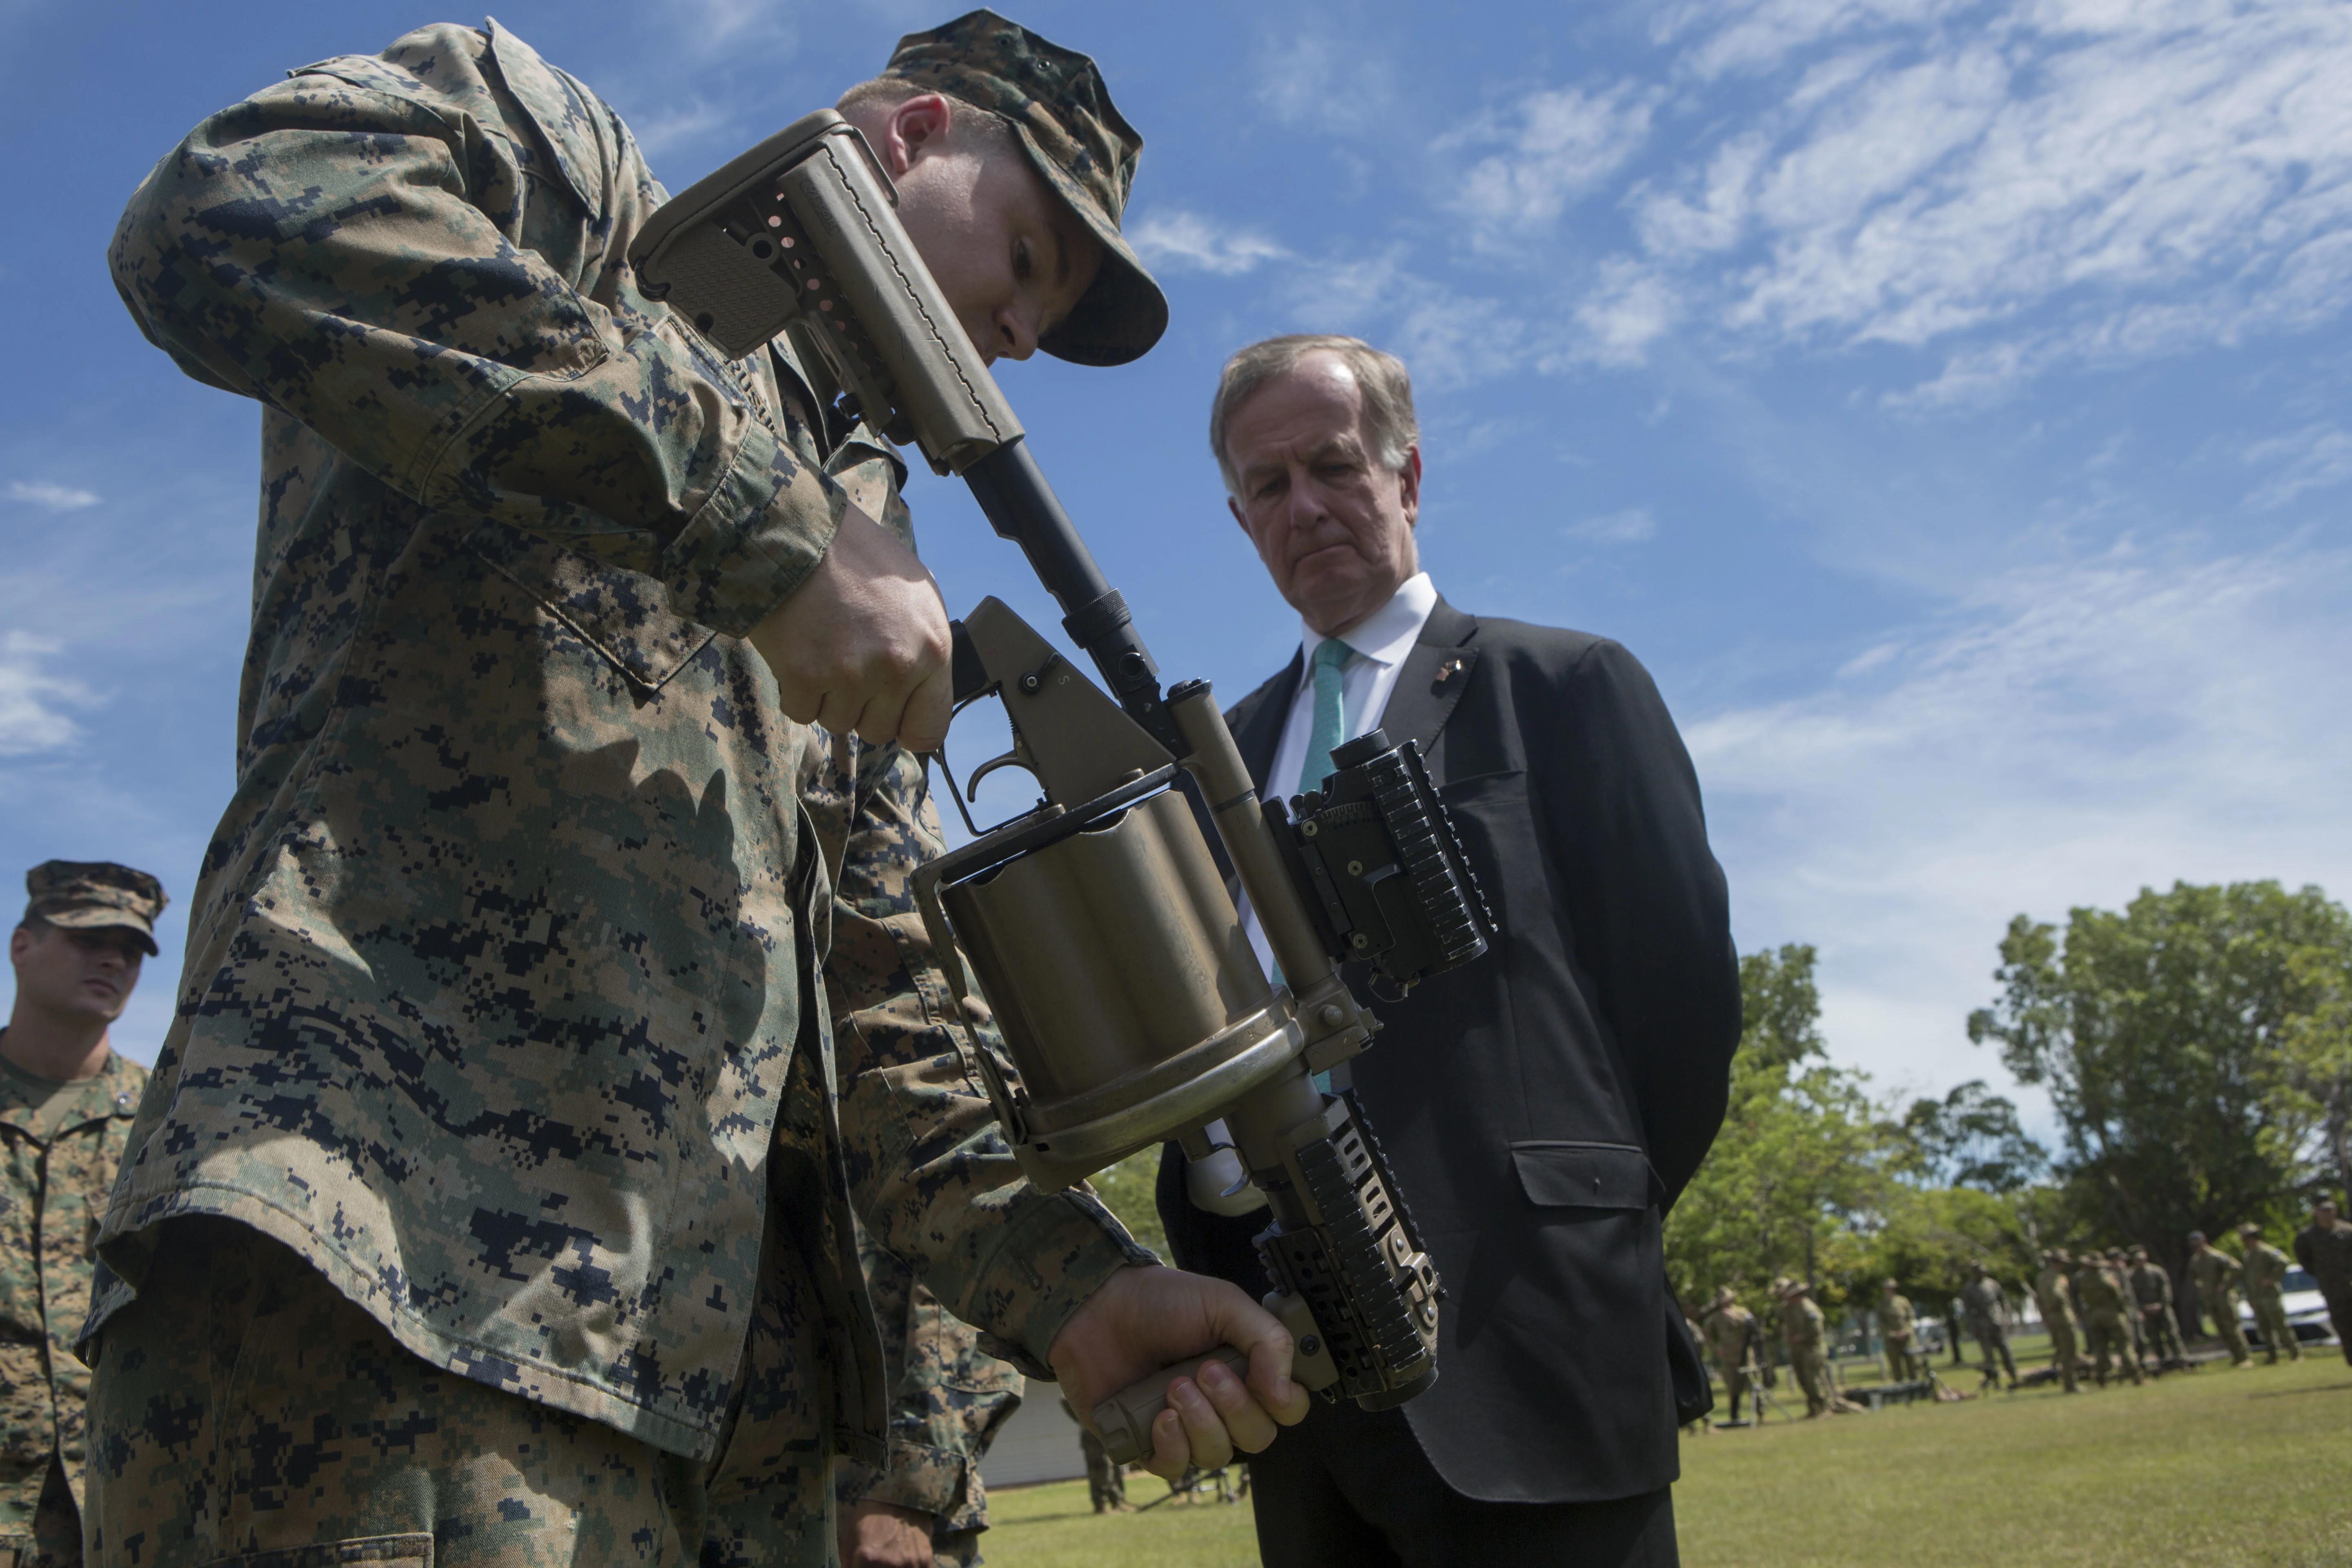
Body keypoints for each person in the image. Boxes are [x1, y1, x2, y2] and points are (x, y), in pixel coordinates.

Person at [91, 15, 1308, 1564]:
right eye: (1022, 258)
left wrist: (1069, 1288)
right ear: (909, 133)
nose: (1014, 332)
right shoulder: (562, 177)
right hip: (393, 1307)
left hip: (726, 1439)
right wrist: (759, 521)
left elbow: (883, 1010)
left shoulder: (876, 557)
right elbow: (227, 206)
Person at [1154, 334, 1742, 1565]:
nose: (1305, 504)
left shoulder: (1563, 687)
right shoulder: (1215, 761)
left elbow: (1680, 1012)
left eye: (1334, 463)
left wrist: (1559, 1225)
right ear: (1239, 517)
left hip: (1534, 1349)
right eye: (1269, 486)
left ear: (1407, 473)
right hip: (1304, 1375)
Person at [0, 864, 160, 1567]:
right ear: (22, 946)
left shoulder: (166, 1122)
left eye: (131, 949)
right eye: (89, 938)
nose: (113, 960)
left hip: (125, 1507)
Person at [2293, 1198, 2352, 1367]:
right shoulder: (2308, 1237)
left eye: (2330, 1210)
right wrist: (2324, 1275)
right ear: (2316, 1212)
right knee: (2344, 1327)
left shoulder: (2348, 1231)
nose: (2328, 1214)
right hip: (2333, 1290)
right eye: (2324, 1210)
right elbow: (2305, 1261)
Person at [2073, 1250, 2143, 1387]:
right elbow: (2118, 1297)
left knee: (2100, 1349)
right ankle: (2136, 1375)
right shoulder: (2106, 1278)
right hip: (2112, 1315)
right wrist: (2123, 1310)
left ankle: (2101, 1378)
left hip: (2094, 1317)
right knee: (2124, 1346)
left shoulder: (2083, 1280)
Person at [2239, 1223, 2302, 1364]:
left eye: (2246, 1238)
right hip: (2256, 1297)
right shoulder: (2248, 1255)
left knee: (2280, 1325)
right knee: (2264, 1328)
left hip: (2270, 1296)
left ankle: (2295, 1353)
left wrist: (2272, 1279)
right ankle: (2273, 1356)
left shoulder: (2266, 1251)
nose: (2244, 1241)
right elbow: (2248, 1278)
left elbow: (2284, 1261)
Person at [2187, 1231, 2252, 1367]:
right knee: (2221, 1329)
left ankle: (2245, 1357)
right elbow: (2194, 1278)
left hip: (2223, 1298)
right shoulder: (2195, 1260)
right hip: (2210, 1300)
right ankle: (2236, 1357)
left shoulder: (2216, 1256)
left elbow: (2236, 1268)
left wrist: (2226, 1286)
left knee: (2232, 1327)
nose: (2196, 1247)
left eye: (2198, 1243)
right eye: (2194, 1245)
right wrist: (2200, 1287)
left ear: (2204, 1241)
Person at [1699, 1288, 1759, 1426]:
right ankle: (1734, 1415)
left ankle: (1760, 1413)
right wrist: (1716, 1349)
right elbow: (1707, 1334)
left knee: (1753, 1384)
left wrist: (1735, 1317)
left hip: (1745, 1355)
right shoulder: (1716, 1318)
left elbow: (1753, 1329)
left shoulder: (1743, 1313)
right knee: (1733, 1387)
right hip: (1728, 1357)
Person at [2126, 1246, 2186, 1372]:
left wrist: (2162, 1304)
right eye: (2138, 1260)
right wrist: (2143, 1308)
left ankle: (2181, 1360)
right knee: (2154, 1338)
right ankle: (2163, 1361)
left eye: (2142, 1259)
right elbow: (2131, 1296)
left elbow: (2166, 1289)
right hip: (2146, 1312)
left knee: (2172, 1334)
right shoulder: (2130, 1276)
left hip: (2163, 1309)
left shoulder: (2157, 1272)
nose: (2140, 1262)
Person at [1958, 1263, 2018, 1389]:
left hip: (1997, 1322)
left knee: (2006, 1351)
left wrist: (2006, 1317)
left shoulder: (1993, 1284)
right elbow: (1968, 1311)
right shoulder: (1969, 1289)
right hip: (1982, 1325)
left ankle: (2014, 1377)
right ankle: (1995, 1381)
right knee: (1989, 1357)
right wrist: (1974, 1327)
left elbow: (2003, 1301)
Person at [2034, 1249, 2082, 1394]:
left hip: (2052, 1319)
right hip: (2063, 1317)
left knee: (2062, 1350)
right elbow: (2057, 1296)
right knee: (2069, 1352)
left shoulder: (2041, 1278)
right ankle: (2070, 1384)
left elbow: (2040, 1301)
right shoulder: (2057, 1278)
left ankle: (2068, 1381)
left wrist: (2046, 1317)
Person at [1876, 1280, 1919, 1383]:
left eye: (1891, 1288)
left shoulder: (1903, 1301)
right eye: (1887, 1288)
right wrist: (1893, 1334)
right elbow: (1881, 1323)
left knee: (1912, 1361)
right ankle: (1900, 1385)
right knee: (1895, 1364)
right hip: (1891, 1339)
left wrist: (1906, 1331)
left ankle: (1915, 1384)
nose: (1890, 1290)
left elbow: (1911, 1317)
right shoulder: (1882, 1304)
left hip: (1907, 1336)